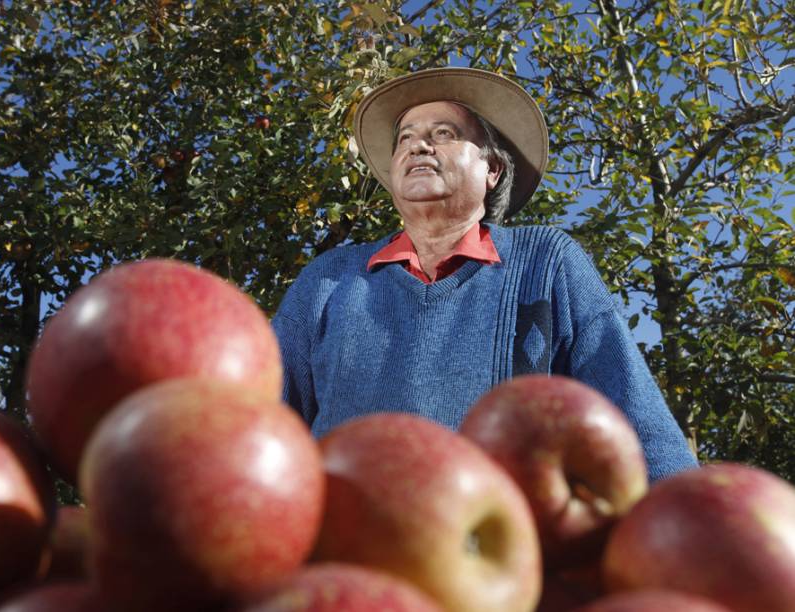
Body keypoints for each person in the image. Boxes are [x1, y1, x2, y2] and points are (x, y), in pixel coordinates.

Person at [271, 67, 697, 481]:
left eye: (444, 133)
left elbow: (635, 422)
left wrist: (685, 526)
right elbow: (264, 420)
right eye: (406, 138)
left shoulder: (545, 263)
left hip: (503, 545)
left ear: (492, 170)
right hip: (347, 543)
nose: (418, 147)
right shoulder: (329, 279)